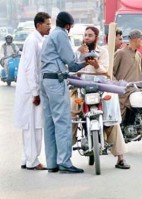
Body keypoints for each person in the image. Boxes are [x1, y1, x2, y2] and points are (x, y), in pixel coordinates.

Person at [73, 26, 130, 169]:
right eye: (85, 35)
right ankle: (64, 157)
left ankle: (120, 158)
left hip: (99, 89)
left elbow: (106, 73)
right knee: (71, 116)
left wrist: (96, 65)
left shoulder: (103, 52)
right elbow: (73, 69)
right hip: (81, 89)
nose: (87, 38)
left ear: (96, 38)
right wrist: (80, 60)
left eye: (90, 35)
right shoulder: (77, 52)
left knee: (111, 119)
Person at [40, 11, 87, 174]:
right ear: (68, 26)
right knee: (63, 121)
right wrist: (85, 57)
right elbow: (72, 63)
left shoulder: (51, 36)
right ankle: (64, 163)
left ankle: (52, 163)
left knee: (50, 123)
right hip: (56, 81)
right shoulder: (61, 35)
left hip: (45, 81)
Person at [14, 12, 51, 171]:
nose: (50, 27)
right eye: (47, 24)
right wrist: (35, 93)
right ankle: (32, 161)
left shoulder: (38, 40)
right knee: (33, 127)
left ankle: (27, 158)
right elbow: (31, 69)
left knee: (31, 127)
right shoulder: (32, 41)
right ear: (38, 25)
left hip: (31, 89)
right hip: (30, 91)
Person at [113, 29, 142, 119]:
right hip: (124, 93)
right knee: (119, 121)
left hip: (138, 91)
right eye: (141, 39)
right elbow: (111, 73)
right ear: (136, 39)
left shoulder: (139, 55)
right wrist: (118, 86)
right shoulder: (120, 53)